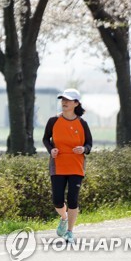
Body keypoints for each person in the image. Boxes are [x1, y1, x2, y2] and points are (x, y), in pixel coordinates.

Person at [42, 88, 93, 244]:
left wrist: (83, 149)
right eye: (62, 99)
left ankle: (70, 231)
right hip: (58, 165)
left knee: (72, 199)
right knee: (57, 200)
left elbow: (89, 144)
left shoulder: (82, 123)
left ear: (76, 103)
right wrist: (52, 150)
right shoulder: (53, 121)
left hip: (76, 166)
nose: (64, 102)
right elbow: (45, 139)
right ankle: (64, 218)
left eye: (68, 100)